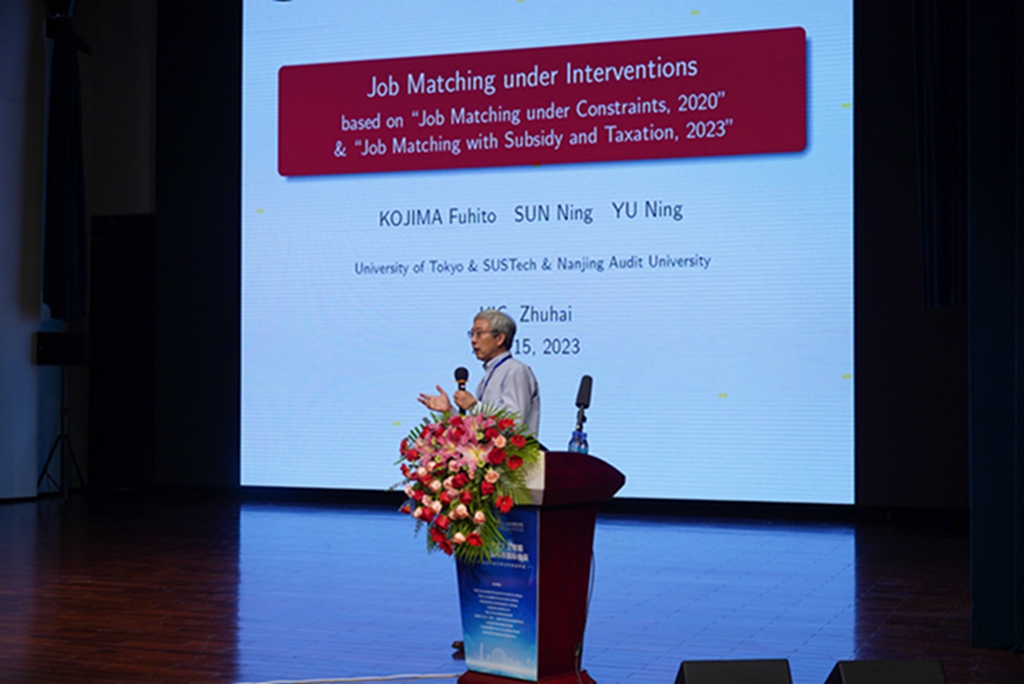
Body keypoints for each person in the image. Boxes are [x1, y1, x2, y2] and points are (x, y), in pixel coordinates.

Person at [418, 309, 540, 436]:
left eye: (479, 334)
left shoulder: (515, 370)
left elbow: (515, 423)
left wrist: (473, 405)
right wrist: (449, 410)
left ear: (499, 338)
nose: (473, 340)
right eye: (472, 334)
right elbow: (480, 431)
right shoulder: (487, 378)